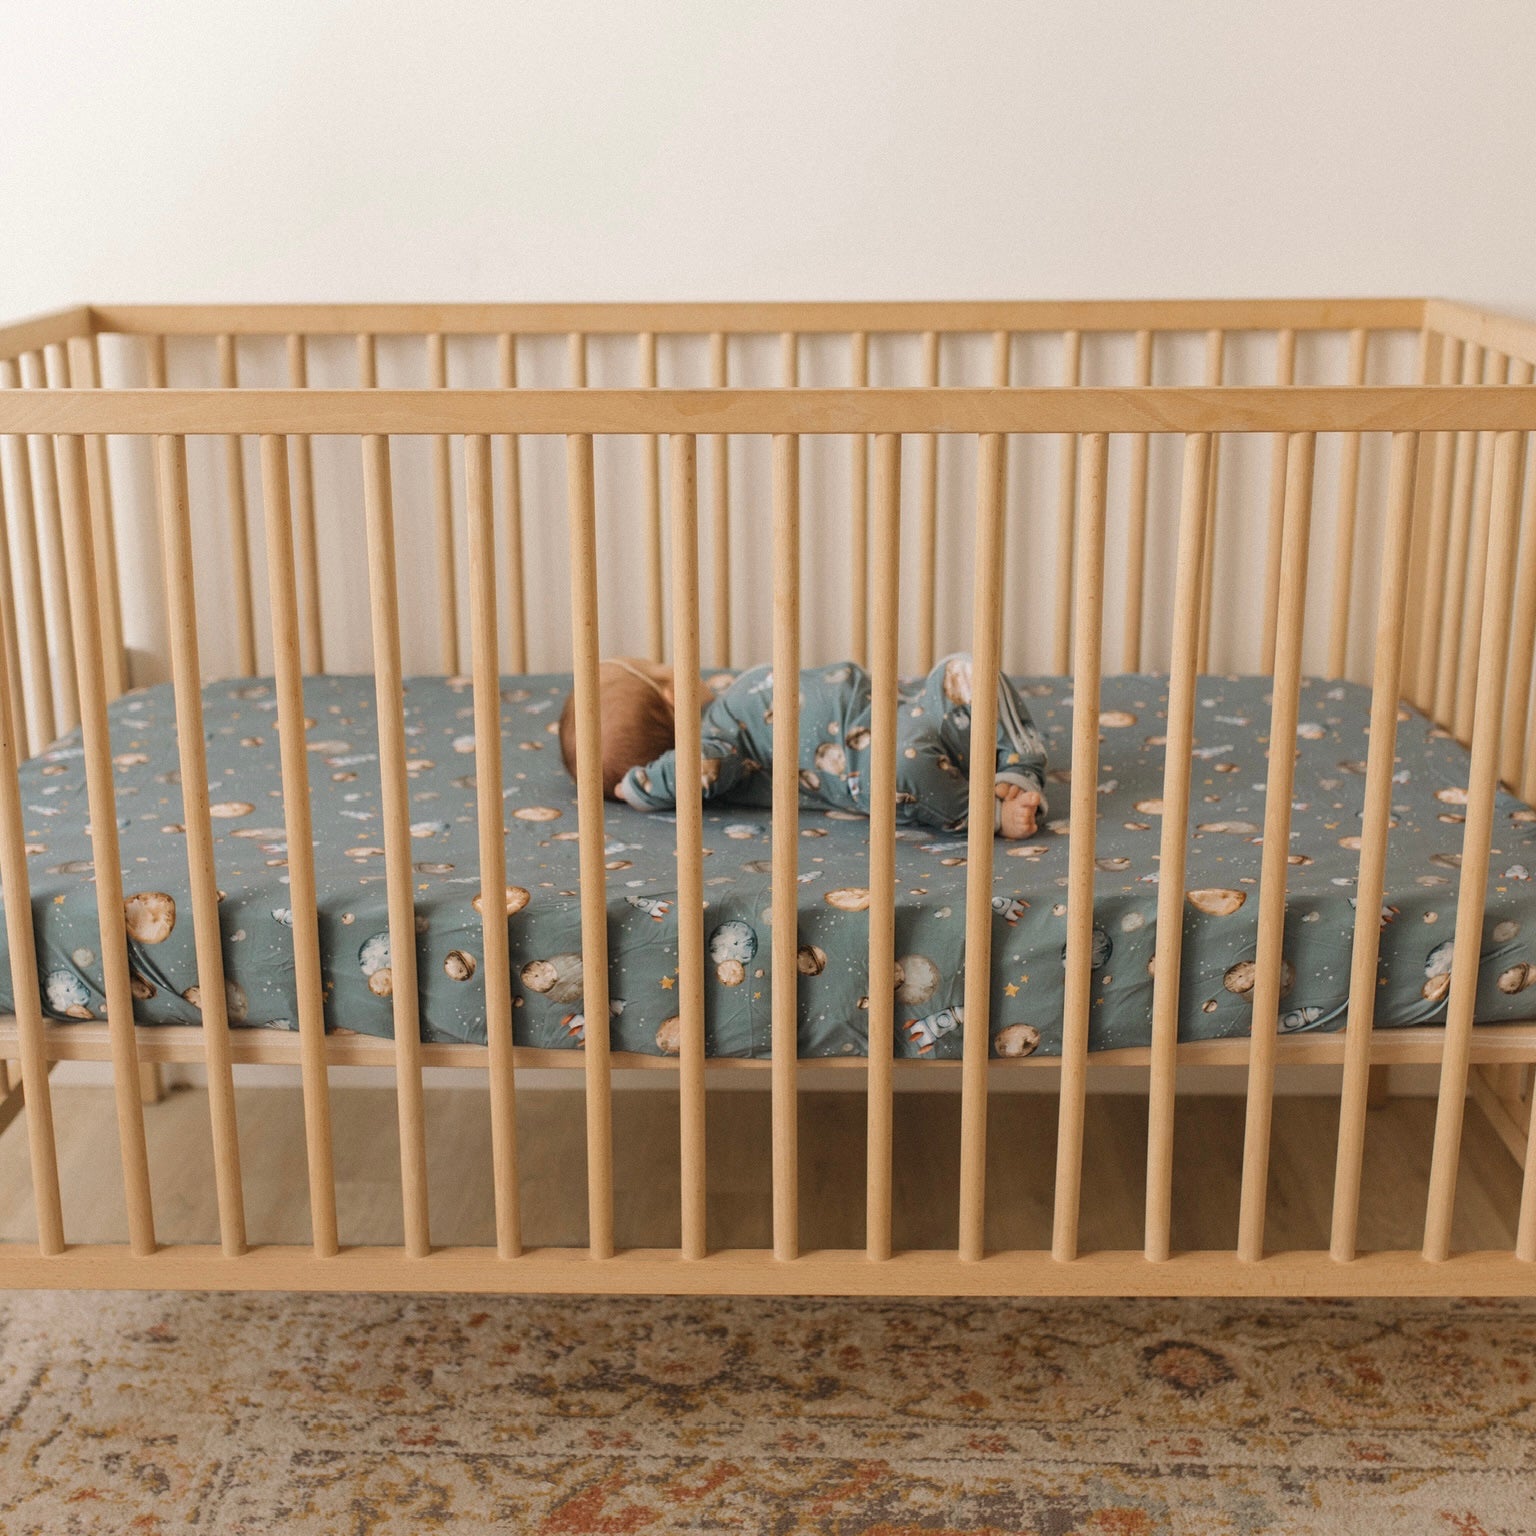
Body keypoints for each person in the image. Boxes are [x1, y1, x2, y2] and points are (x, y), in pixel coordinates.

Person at [557, 653, 1047, 838]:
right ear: (669, 696)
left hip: (912, 710)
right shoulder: (719, 743)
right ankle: (984, 813)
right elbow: (697, 770)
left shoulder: (727, 703)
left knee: (966, 670)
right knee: (902, 765)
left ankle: (1018, 767)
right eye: (663, 667)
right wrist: (640, 785)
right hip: (881, 766)